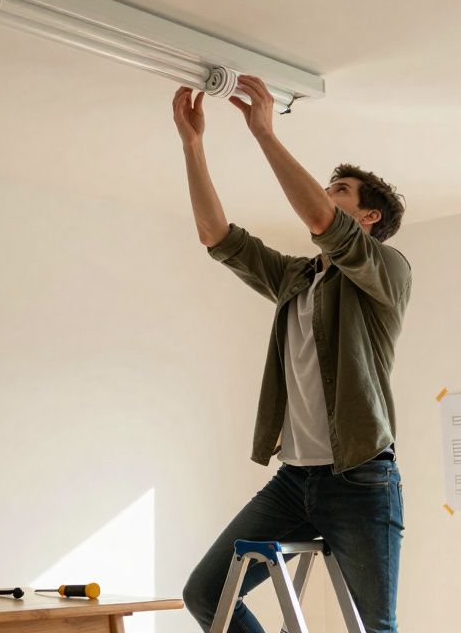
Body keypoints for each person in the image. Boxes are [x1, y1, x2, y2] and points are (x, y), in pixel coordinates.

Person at [173, 77, 412, 633]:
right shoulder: (296, 280)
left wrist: (263, 132)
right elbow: (216, 236)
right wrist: (193, 145)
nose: (327, 194)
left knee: (377, 628)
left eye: (340, 189)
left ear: (368, 218)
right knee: (207, 595)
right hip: (293, 481)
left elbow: (323, 225)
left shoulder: (388, 270)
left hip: (360, 481)